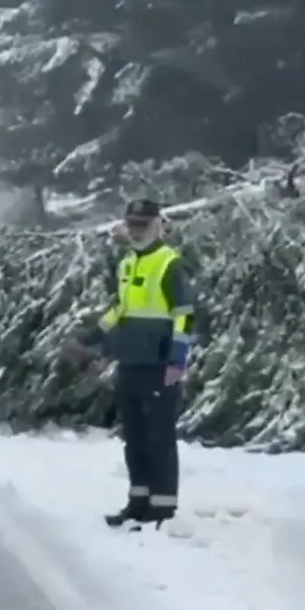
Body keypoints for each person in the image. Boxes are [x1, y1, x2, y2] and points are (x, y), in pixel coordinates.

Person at [68, 199, 195, 529]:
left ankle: (162, 507)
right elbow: (120, 309)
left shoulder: (169, 263)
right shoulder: (127, 264)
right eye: (132, 224)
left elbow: (184, 314)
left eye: (143, 224)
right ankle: (138, 502)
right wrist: (92, 337)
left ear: (157, 225)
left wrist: (178, 359)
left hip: (159, 364)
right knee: (135, 438)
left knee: (159, 438)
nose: (137, 230)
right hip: (131, 362)